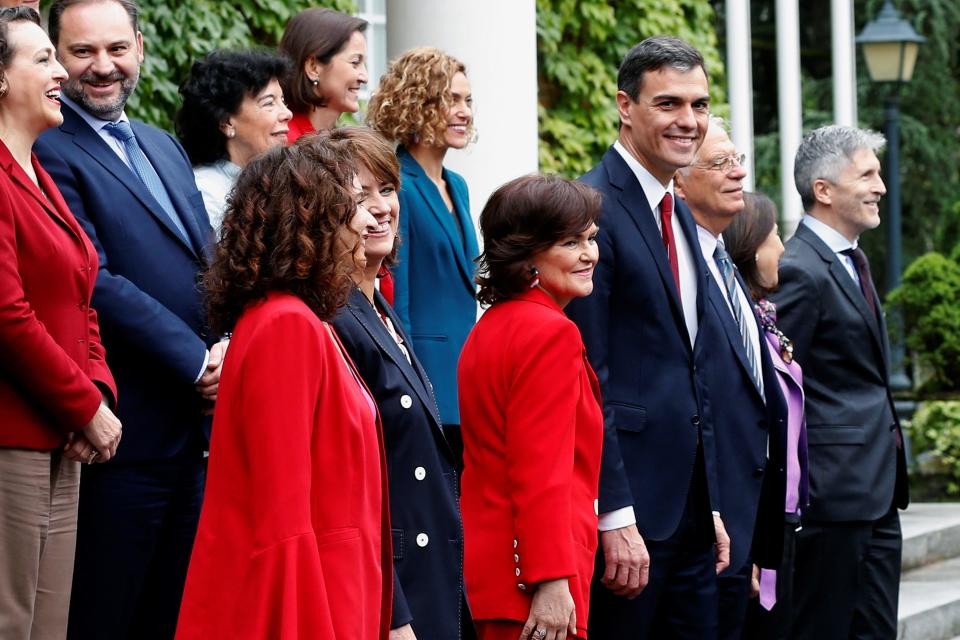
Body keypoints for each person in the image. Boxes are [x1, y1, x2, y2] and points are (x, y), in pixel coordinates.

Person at [34, 1, 225, 637]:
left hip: (194, 437)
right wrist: (196, 360)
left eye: (116, 49)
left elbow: (208, 260)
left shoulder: (163, 146)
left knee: (176, 618)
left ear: (140, 49)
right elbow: (95, 279)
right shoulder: (45, 151)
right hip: (119, 436)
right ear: (56, 58)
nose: (102, 67)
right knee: (105, 616)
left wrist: (227, 345)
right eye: (82, 52)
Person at [175, 135, 391, 640]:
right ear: (311, 221)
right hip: (310, 607)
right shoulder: (286, 326)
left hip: (335, 593)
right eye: (353, 204)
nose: (367, 220)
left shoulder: (300, 319)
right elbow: (283, 524)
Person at [565, 36, 729, 639]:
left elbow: (692, 367)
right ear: (625, 107)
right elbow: (591, 377)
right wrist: (613, 512)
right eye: (669, 104)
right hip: (628, 520)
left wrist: (706, 501)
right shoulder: (589, 209)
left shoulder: (680, 211)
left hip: (687, 512)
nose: (689, 121)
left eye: (700, 104)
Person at [0, 7, 120, 638]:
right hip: (12, 435)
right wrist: (83, 406)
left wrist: (96, 392)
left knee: (48, 624)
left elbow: (81, 297)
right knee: (10, 620)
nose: (59, 72)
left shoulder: (38, 172)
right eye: (43, 59)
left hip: (62, 433)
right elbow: (7, 316)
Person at [330, 127, 470, 640]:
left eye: (386, 189)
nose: (380, 207)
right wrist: (395, 613)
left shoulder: (376, 304)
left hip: (432, 566)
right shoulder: (336, 318)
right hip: (396, 583)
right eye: (358, 195)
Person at [770, 124, 909, 638]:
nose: (881, 187)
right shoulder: (800, 268)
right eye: (867, 174)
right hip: (830, 496)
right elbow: (777, 383)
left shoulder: (853, 259)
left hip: (878, 490)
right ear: (823, 190)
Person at [458, 175, 604, 640]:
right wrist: (551, 579)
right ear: (527, 257)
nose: (589, 254)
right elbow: (540, 470)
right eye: (570, 242)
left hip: (496, 572)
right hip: (533, 584)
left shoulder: (493, 326)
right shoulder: (549, 333)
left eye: (590, 238)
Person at [674, 121, 789, 639]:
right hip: (706, 519)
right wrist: (715, 510)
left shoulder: (723, 265)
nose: (739, 171)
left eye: (736, 158)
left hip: (747, 518)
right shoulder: (680, 267)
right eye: (719, 163)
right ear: (678, 183)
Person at [367, 46, 478, 464]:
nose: (464, 111)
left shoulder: (459, 185)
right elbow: (400, 297)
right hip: (427, 378)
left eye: (468, 100)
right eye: (450, 99)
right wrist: (410, 382)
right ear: (417, 102)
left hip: (467, 380)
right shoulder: (398, 185)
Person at [723, 191, 809, 640]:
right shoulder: (740, 325)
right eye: (776, 234)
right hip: (751, 524)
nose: (782, 248)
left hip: (783, 515)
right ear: (753, 247)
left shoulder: (764, 317)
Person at [176, 49, 292, 232]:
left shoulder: (276, 180)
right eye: (269, 103)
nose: (287, 113)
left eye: (283, 101)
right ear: (226, 122)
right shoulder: (206, 194)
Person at [278, 7, 367, 138]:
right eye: (355, 62)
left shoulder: (338, 143)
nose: (365, 77)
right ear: (313, 67)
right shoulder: (284, 146)